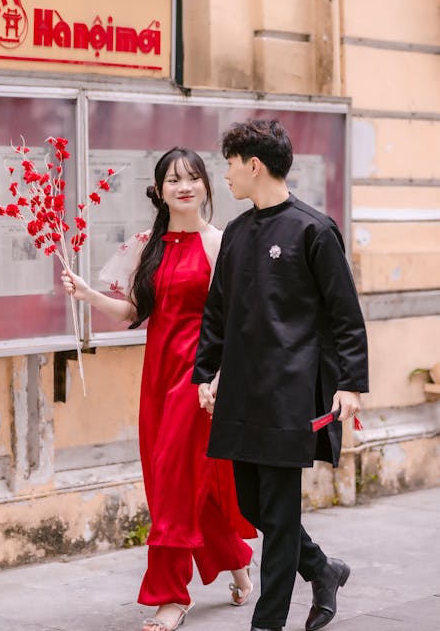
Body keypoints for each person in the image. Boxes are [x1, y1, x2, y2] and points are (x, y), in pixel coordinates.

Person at [61, 147, 255, 631]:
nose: (183, 186)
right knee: (181, 482)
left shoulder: (220, 244)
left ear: (207, 186)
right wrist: (88, 294)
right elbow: (134, 313)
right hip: (157, 378)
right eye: (173, 180)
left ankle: (172, 596)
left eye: (192, 178)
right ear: (160, 189)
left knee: (172, 483)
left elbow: (236, 322)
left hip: (199, 379)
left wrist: (218, 378)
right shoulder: (148, 244)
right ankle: (236, 561)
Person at [192, 120, 369, 631]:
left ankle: (267, 623)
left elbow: (345, 314)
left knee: (278, 503)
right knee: (253, 504)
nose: (223, 174)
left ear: (254, 165)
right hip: (243, 390)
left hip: (291, 392)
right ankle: (322, 569)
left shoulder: (314, 229)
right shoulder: (239, 233)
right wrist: (207, 373)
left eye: (229, 163)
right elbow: (217, 311)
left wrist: (351, 383)